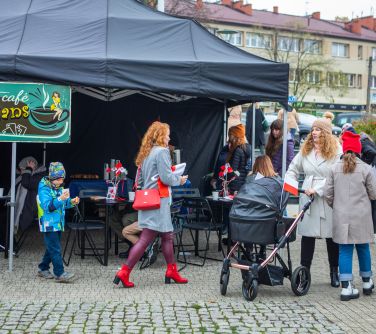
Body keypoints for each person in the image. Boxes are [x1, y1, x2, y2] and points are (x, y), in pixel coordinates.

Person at [113, 121, 188, 288]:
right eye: (167, 134)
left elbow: (140, 181)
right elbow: (167, 178)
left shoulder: (146, 153)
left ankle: (171, 270)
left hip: (147, 201)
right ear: (161, 135)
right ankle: (125, 272)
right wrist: (179, 179)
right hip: (159, 203)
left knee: (166, 237)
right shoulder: (162, 152)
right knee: (149, 239)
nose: (169, 137)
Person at [285, 118, 342, 287]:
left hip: (328, 197)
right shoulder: (305, 150)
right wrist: (293, 186)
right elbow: (292, 170)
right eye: (313, 129)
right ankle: (305, 272)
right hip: (307, 197)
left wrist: (318, 189)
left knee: (331, 237)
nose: (314, 132)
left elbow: (336, 174)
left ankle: (334, 271)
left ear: (325, 132)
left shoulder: (337, 150)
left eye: (318, 129)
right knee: (307, 236)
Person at [324, 131, 376, 301]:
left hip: (341, 215)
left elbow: (328, 194)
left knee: (344, 250)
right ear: (358, 150)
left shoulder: (333, 169)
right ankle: (367, 283)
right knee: (363, 248)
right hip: (361, 215)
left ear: (344, 149)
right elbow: (374, 194)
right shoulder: (366, 168)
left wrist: (337, 206)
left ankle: (346, 287)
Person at [37, 162, 79, 282]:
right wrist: (61, 198)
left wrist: (71, 202)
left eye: (62, 179)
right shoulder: (44, 188)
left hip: (58, 223)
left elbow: (63, 204)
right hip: (48, 223)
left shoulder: (58, 187)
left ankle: (43, 268)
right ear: (53, 178)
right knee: (55, 248)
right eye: (59, 179)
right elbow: (47, 207)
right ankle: (60, 274)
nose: (61, 182)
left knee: (52, 246)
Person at [14, 156, 46, 234]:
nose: (21, 172)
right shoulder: (26, 176)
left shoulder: (40, 176)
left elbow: (26, 183)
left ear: (32, 168)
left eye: (23, 170)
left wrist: (28, 169)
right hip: (26, 207)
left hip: (31, 209)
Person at [226, 124, 251, 194]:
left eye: (230, 135)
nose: (229, 138)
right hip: (243, 182)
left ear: (235, 136)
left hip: (235, 184)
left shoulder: (237, 150)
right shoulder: (246, 148)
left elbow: (234, 169)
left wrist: (228, 175)